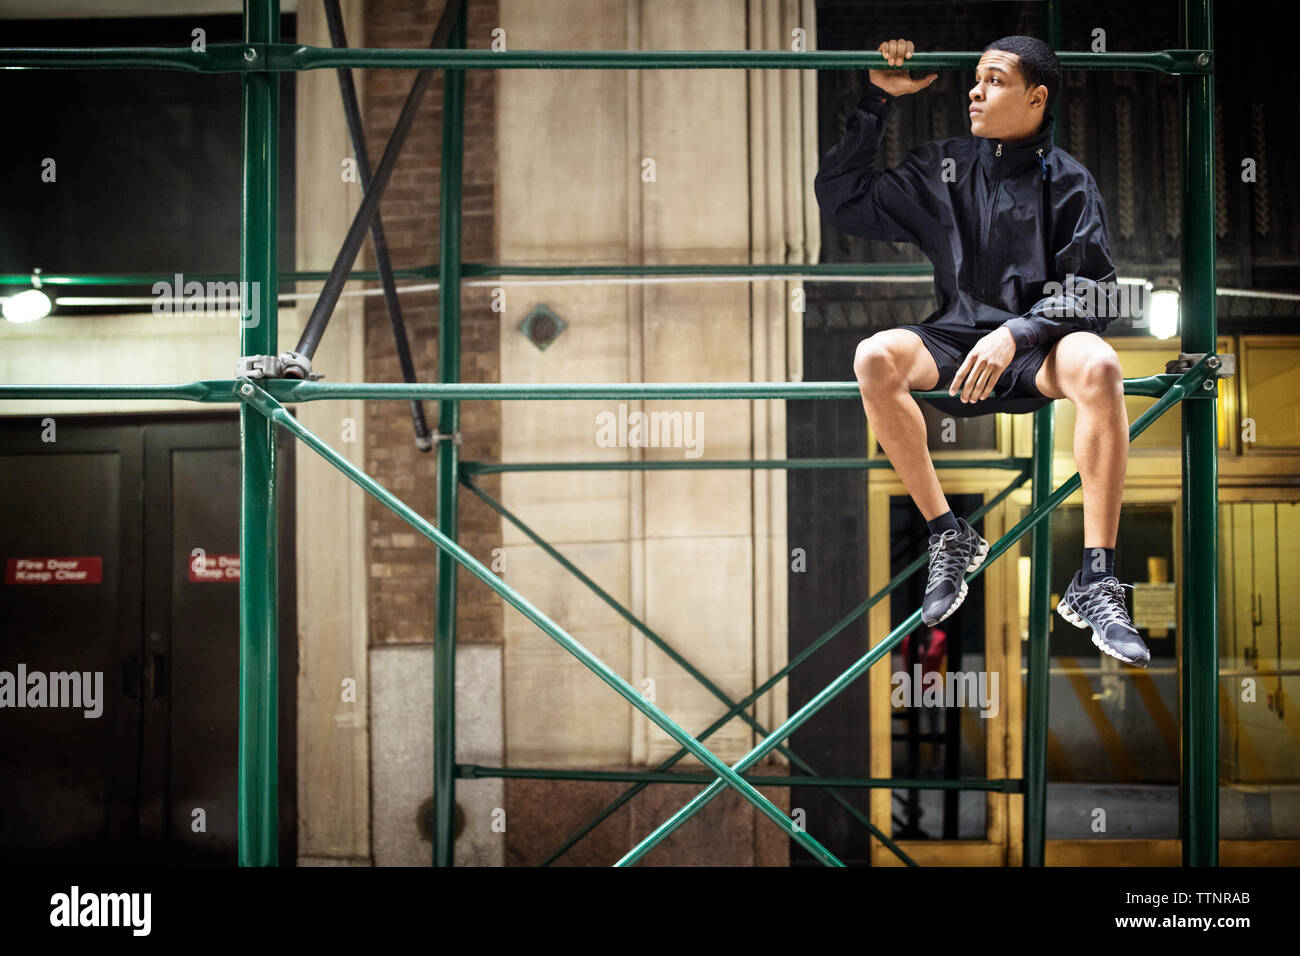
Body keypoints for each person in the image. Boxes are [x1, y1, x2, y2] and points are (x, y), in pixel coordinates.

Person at [814, 36, 1149, 667]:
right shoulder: (943, 165)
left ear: (1036, 96)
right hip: (957, 338)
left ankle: (1097, 578)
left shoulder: (1071, 180)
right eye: (975, 79)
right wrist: (876, 105)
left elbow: (1095, 289)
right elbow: (842, 200)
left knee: (1102, 364)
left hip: (1037, 346)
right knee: (872, 357)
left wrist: (1017, 332)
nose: (975, 90)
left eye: (993, 81)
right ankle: (950, 535)